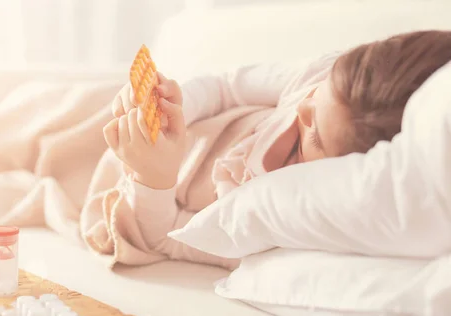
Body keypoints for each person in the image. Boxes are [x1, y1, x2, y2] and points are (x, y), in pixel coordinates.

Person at [101, 30, 451, 266]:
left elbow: (166, 238)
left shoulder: (280, 222)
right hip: (134, 126)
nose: (302, 108)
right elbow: (227, 87)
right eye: (318, 94)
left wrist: (154, 177)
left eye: (314, 138)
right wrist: (175, 108)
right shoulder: (322, 82)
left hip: (119, 183)